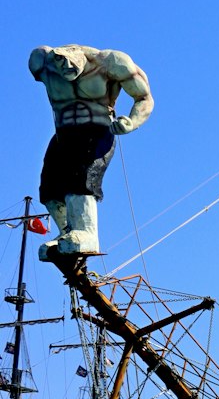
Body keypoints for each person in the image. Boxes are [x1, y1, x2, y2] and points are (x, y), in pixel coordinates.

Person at [29, 43, 153, 258]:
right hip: (63, 133)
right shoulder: (42, 62)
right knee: (50, 188)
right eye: (61, 64)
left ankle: (87, 233)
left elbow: (144, 97)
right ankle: (65, 233)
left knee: (82, 179)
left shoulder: (110, 62)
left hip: (96, 130)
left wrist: (132, 122)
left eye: (71, 63)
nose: (67, 68)